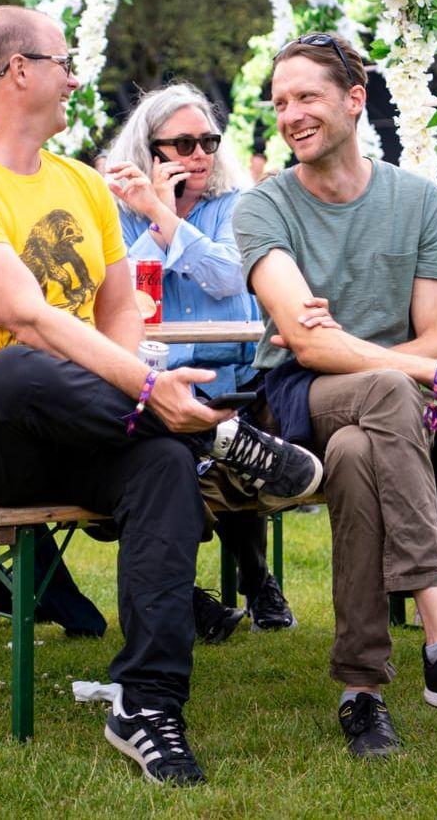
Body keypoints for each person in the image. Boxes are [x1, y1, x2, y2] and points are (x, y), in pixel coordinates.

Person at [0, 6, 323, 785]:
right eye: (63, 62)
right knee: (23, 363)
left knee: (163, 464)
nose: (74, 77)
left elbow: (118, 313)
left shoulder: (79, 185)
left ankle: (148, 703)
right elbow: (29, 317)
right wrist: (152, 389)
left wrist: (145, 395)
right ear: (17, 71)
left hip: (76, 429)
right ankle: (220, 439)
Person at [233, 32, 437, 759]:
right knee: (382, 390)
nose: (290, 114)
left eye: (307, 96)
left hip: (390, 410)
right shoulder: (262, 207)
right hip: (298, 399)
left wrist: (403, 361)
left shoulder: (414, 199)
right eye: (280, 101)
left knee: (359, 450)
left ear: (354, 100)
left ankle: (362, 694)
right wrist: (434, 376)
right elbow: (309, 346)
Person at [106, 83, 305, 643]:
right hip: (150, 377)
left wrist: (162, 219)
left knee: (231, 457)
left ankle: (256, 579)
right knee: (167, 468)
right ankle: (194, 597)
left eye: (208, 142)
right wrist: (154, 211)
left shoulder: (236, 204)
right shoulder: (114, 209)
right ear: (149, 150)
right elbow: (123, 291)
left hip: (230, 374)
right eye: (184, 143)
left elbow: (227, 273)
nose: (199, 155)